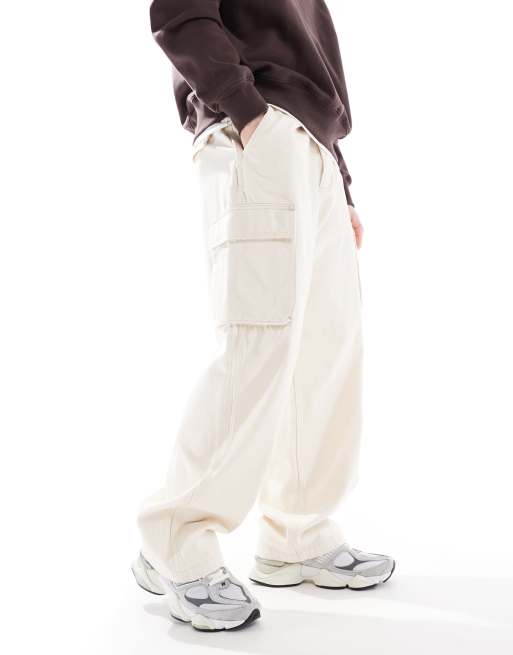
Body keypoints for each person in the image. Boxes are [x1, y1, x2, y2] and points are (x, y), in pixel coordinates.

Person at [132, 0, 395, 632]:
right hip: (256, 133)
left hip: (309, 147)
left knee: (326, 349)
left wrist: (336, 177)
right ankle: (174, 539)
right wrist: (248, 113)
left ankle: (296, 533)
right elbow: (178, 14)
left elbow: (311, 59)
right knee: (258, 343)